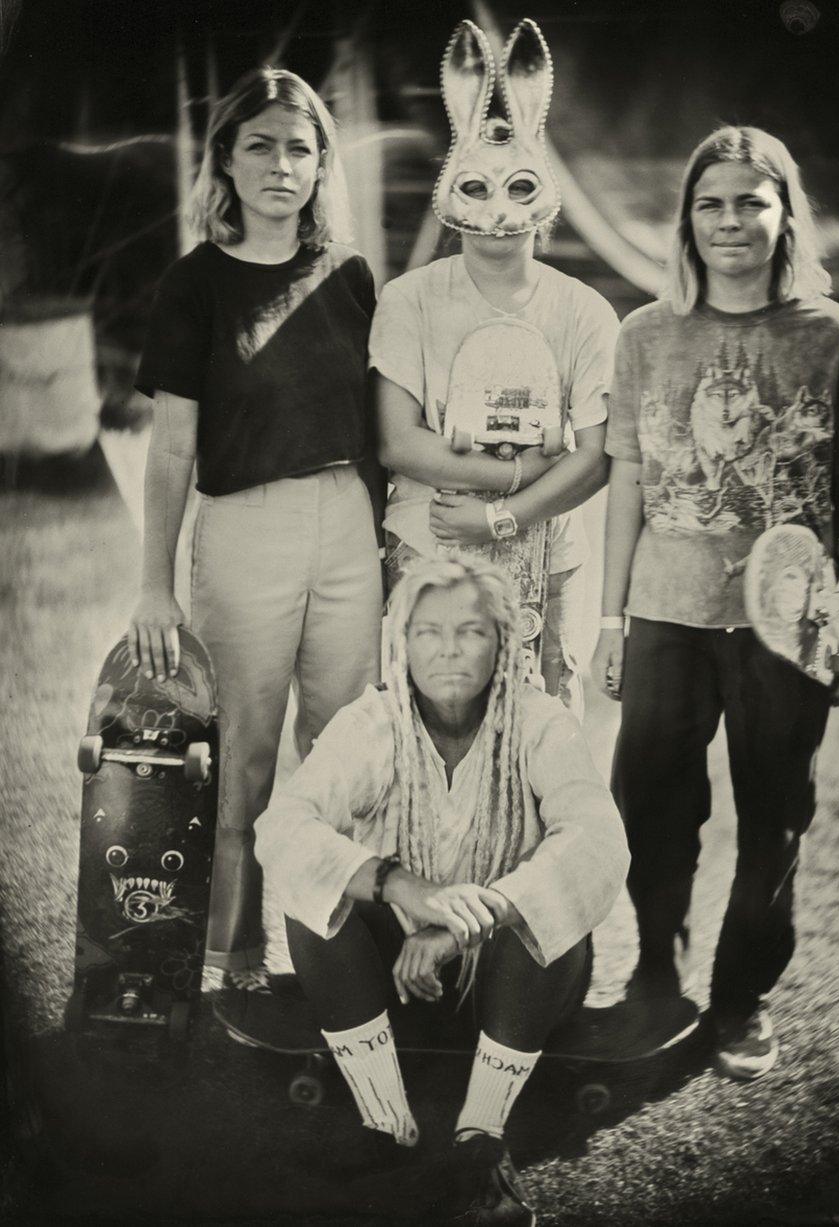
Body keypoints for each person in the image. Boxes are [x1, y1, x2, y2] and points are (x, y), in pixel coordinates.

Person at [593, 126, 839, 1079]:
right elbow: (625, 492)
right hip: (666, 613)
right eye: (711, 204)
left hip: (790, 623)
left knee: (775, 812)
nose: (731, 221)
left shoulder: (837, 338)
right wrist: (610, 622)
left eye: (750, 203)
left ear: (784, 216)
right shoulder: (644, 335)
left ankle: (741, 999)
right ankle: (656, 979)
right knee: (650, 804)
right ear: (688, 221)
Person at [254, 556, 629, 1224]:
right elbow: (283, 827)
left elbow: (600, 841)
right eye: (427, 631)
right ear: (401, 643)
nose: (449, 649)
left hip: (511, 986)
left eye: (471, 630)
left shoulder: (542, 722)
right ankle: (385, 1121)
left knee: (548, 909)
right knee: (314, 893)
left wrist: (467, 920)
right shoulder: (374, 720)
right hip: (401, 978)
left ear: (503, 642)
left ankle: (481, 1144)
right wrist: (403, 886)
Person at [129, 68, 384, 984]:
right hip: (244, 532)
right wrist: (154, 584)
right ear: (227, 162)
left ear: (322, 165)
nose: (283, 164)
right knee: (243, 756)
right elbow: (169, 455)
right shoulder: (193, 287)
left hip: (349, 527)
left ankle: (336, 955)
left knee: (350, 751)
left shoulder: (351, 277)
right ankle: (233, 952)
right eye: (261, 145)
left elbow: (386, 427)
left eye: (301, 146)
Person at [370, 18, 619, 716]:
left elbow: (596, 456)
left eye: (519, 188)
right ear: (449, 190)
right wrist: (516, 476)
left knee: (541, 734)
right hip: (429, 545)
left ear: (546, 193)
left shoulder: (585, 311)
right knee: (427, 731)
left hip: (549, 562)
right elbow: (397, 439)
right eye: (477, 188)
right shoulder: (408, 300)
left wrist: (502, 518)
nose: (501, 211)